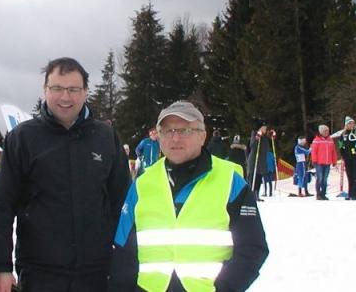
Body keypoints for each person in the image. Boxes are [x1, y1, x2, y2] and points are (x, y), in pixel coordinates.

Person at [0, 57, 131, 292]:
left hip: (96, 273)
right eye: (57, 88)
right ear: (45, 90)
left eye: (73, 89)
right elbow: (2, 206)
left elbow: (122, 204)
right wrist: (0, 266)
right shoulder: (23, 139)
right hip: (40, 274)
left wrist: (125, 264)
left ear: (85, 92)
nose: (65, 97)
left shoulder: (106, 137)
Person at [108, 101, 268, 291]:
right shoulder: (143, 183)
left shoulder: (230, 181)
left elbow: (252, 248)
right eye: (168, 131)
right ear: (159, 137)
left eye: (185, 131)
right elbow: (124, 252)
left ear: (203, 136)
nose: (175, 138)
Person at [334, 117, 356, 200]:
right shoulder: (343, 134)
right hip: (347, 157)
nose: (351, 125)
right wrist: (342, 154)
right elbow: (340, 145)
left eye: (352, 123)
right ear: (346, 125)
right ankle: (350, 194)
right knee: (350, 175)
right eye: (349, 123)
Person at [310, 125, 339, 200]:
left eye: (327, 131)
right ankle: (318, 194)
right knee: (320, 178)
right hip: (319, 162)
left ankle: (323, 193)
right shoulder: (316, 140)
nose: (327, 132)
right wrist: (314, 160)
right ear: (321, 132)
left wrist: (334, 161)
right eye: (325, 131)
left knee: (325, 179)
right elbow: (314, 151)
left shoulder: (330, 140)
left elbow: (333, 152)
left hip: (327, 162)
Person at [247, 121, 271, 200]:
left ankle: (257, 194)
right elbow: (252, 146)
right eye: (263, 128)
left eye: (265, 128)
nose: (265, 129)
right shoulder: (254, 134)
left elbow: (267, 147)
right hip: (255, 160)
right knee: (253, 177)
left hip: (261, 161)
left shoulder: (264, 137)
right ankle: (252, 195)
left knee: (259, 178)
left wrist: (271, 136)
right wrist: (257, 138)